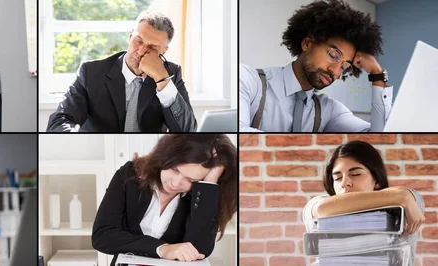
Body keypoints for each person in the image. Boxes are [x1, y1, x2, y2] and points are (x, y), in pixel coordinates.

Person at [239, 0, 392, 132]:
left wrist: (376, 74)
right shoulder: (249, 81)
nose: (335, 71)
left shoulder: (329, 110)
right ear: (307, 44)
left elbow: (381, 136)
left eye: (344, 67)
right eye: (333, 55)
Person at [92, 134, 237, 265]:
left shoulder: (200, 194)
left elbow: (199, 250)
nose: (175, 183)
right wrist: (162, 249)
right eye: (175, 169)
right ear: (166, 156)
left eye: (191, 179)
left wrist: (209, 182)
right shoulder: (129, 175)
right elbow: (102, 236)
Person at [47, 11, 197, 132]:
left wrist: (161, 79)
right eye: (138, 41)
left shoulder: (171, 73)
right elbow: (59, 121)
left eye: (152, 48)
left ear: (164, 51)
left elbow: (188, 131)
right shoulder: (91, 72)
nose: (141, 51)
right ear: (130, 36)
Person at [303, 140, 424, 266]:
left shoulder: (405, 200)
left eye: (355, 174)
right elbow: (323, 208)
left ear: (376, 180)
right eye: (338, 178)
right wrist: (401, 196)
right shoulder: (316, 203)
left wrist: (403, 196)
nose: (345, 183)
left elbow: (407, 195)